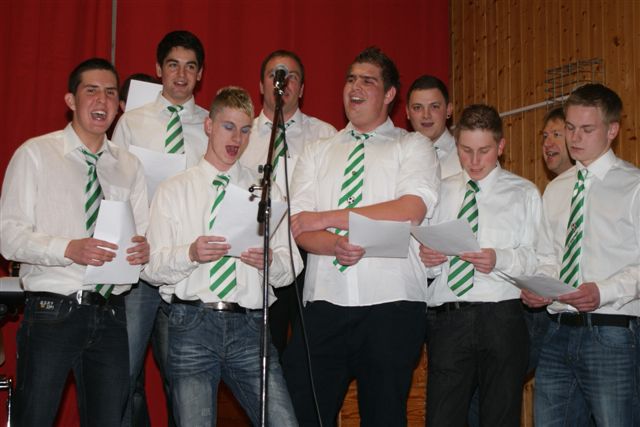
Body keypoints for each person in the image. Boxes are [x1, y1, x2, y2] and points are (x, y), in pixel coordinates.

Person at [282, 46, 440, 427]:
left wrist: (329, 218)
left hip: (391, 303)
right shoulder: (317, 150)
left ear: (389, 94)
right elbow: (300, 225)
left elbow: (410, 209)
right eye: (350, 79)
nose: (355, 87)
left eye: (367, 81)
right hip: (325, 300)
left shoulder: (412, 145)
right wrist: (333, 243)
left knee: (383, 416)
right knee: (300, 410)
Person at [0, 58, 150, 426]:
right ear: (71, 100)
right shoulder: (36, 154)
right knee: (34, 418)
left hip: (112, 312)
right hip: (53, 309)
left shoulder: (129, 165)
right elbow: (9, 237)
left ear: (119, 105)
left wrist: (142, 250)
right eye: (92, 90)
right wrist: (68, 248)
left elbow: (141, 233)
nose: (102, 100)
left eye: (111, 93)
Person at [144, 86, 301, 426]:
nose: (236, 139)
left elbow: (291, 268)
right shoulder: (174, 189)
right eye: (228, 127)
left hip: (251, 327)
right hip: (192, 324)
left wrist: (269, 262)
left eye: (244, 130)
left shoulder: (265, 191)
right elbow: (150, 267)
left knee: (284, 421)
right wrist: (190, 253)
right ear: (208, 126)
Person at [522, 83, 640, 426]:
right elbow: (549, 257)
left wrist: (603, 291)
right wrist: (539, 287)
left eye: (586, 129)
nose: (574, 138)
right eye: (570, 127)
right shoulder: (557, 188)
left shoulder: (633, 186)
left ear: (612, 130)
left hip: (612, 330)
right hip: (557, 330)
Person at [419, 104, 539, 426]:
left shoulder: (523, 193)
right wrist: (427, 261)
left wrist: (500, 258)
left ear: (500, 146)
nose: (473, 161)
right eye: (465, 150)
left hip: (501, 316)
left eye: (483, 151)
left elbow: (537, 258)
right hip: (448, 318)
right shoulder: (438, 192)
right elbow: (421, 255)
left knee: (500, 417)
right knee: (441, 418)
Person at [111, 30, 208, 426]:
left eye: (189, 67)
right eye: (173, 65)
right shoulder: (132, 123)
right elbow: (113, 188)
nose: (181, 75)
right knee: (123, 374)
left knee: (184, 380)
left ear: (200, 74)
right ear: (158, 69)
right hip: (138, 267)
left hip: (187, 267)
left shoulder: (212, 125)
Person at [240, 49, 337, 357]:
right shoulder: (242, 135)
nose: (282, 83)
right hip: (263, 251)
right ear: (261, 85)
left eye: (291, 77)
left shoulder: (325, 136)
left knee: (312, 348)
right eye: (275, 76)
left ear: (302, 88)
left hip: (311, 250)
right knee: (265, 349)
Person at [406, 74, 461, 179]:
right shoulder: (397, 156)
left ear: (448, 110)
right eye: (417, 107)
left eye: (434, 107)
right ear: (408, 112)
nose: (426, 115)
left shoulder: (468, 157)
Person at [541, 106, 573, 176]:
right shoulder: (554, 184)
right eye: (545, 136)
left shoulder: (591, 179)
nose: (546, 143)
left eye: (556, 134)